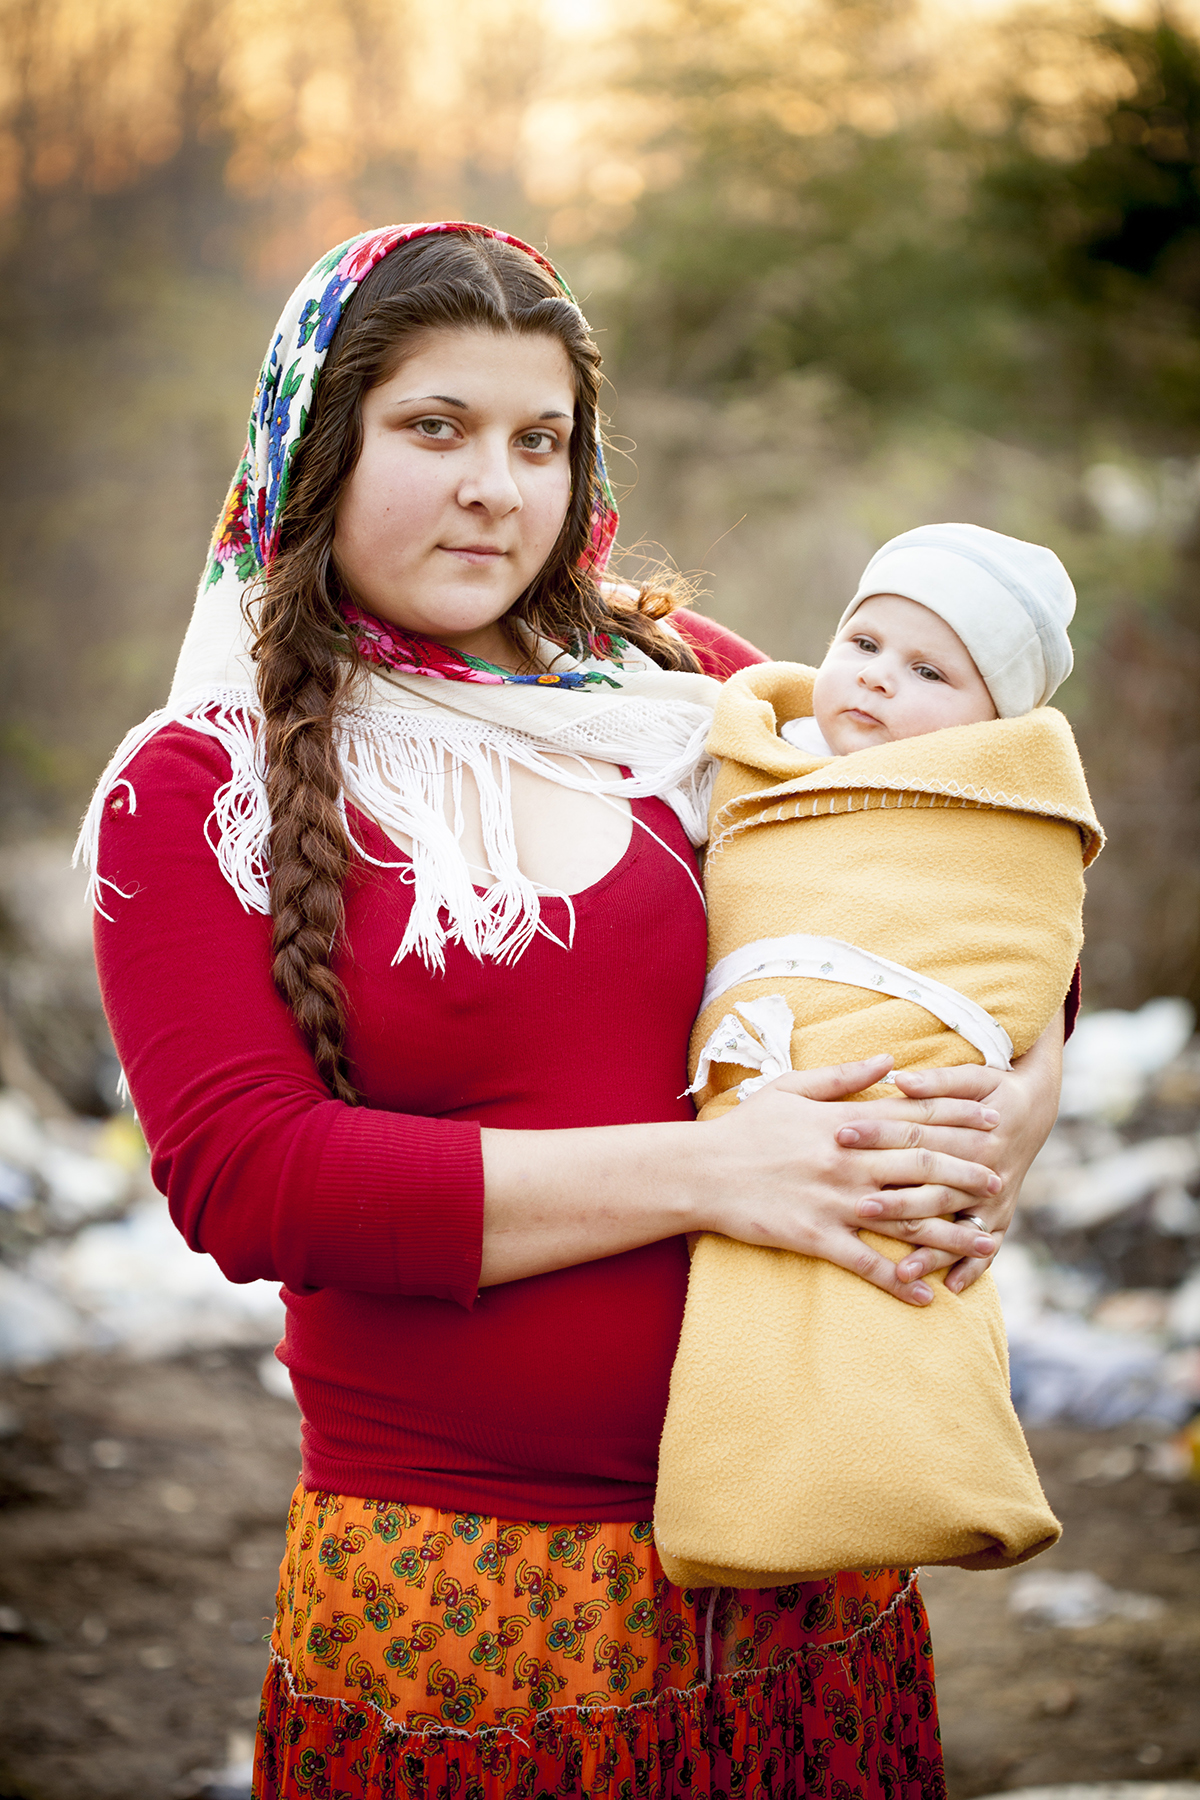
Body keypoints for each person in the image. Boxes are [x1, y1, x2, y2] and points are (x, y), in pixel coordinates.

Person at [79, 224, 1064, 1800]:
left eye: (540, 440)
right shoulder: (200, 790)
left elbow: (977, 851)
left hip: (809, 1541)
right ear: (312, 446)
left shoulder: (698, 696)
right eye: (434, 429)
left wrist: (1010, 1115)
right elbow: (252, 1180)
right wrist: (714, 1171)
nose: (497, 487)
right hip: (470, 1587)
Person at [656, 524, 1102, 1591]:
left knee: (895, 1270)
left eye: (929, 671)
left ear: (994, 727)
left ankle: (924, 1473)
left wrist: (1029, 1073)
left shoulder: (988, 810)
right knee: (756, 1318)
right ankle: (747, 1498)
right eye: (864, 644)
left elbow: (1023, 934)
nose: (874, 681)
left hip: (892, 1092)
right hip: (745, 1104)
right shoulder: (762, 754)